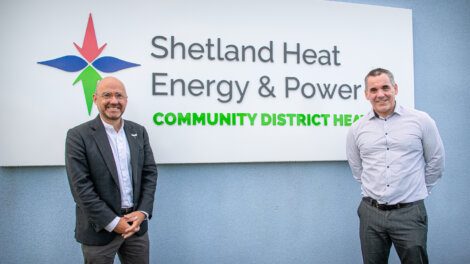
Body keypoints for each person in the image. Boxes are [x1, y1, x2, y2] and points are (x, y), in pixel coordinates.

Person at [346, 68, 445, 264]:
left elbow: (436, 160)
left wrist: (418, 190)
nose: (380, 94)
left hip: (409, 213)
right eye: (373, 90)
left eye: (385, 87)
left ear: (395, 89)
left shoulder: (421, 120)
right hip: (371, 213)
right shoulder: (357, 129)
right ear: (366, 94)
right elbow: (357, 168)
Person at [65, 76, 158, 264]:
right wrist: (114, 223)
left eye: (119, 96)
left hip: (136, 227)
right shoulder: (78, 136)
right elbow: (80, 187)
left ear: (126, 100)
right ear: (95, 98)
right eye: (107, 95)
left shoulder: (138, 132)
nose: (114, 101)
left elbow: (149, 174)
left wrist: (143, 212)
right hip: (99, 230)